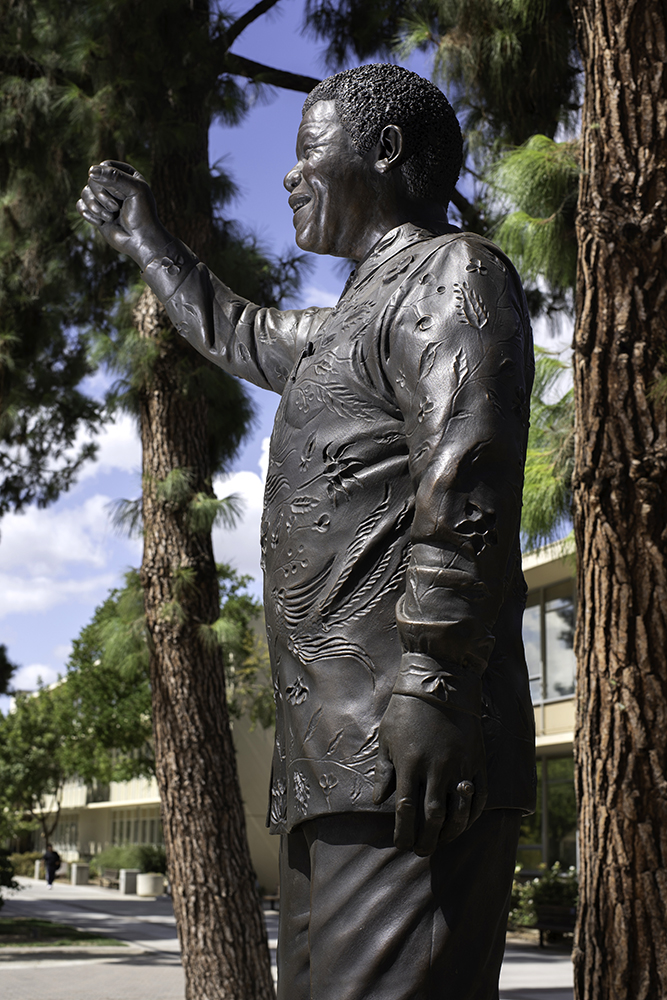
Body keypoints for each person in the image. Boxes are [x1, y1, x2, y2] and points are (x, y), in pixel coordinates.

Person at [78, 63, 535, 1000]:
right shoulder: (346, 321)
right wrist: (149, 242)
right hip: (331, 766)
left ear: (385, 151)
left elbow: (469, 471)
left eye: (305, 153)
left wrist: (432, 681)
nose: (286, 177)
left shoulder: (450, 272)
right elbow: (237, 329)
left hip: (407, 752)